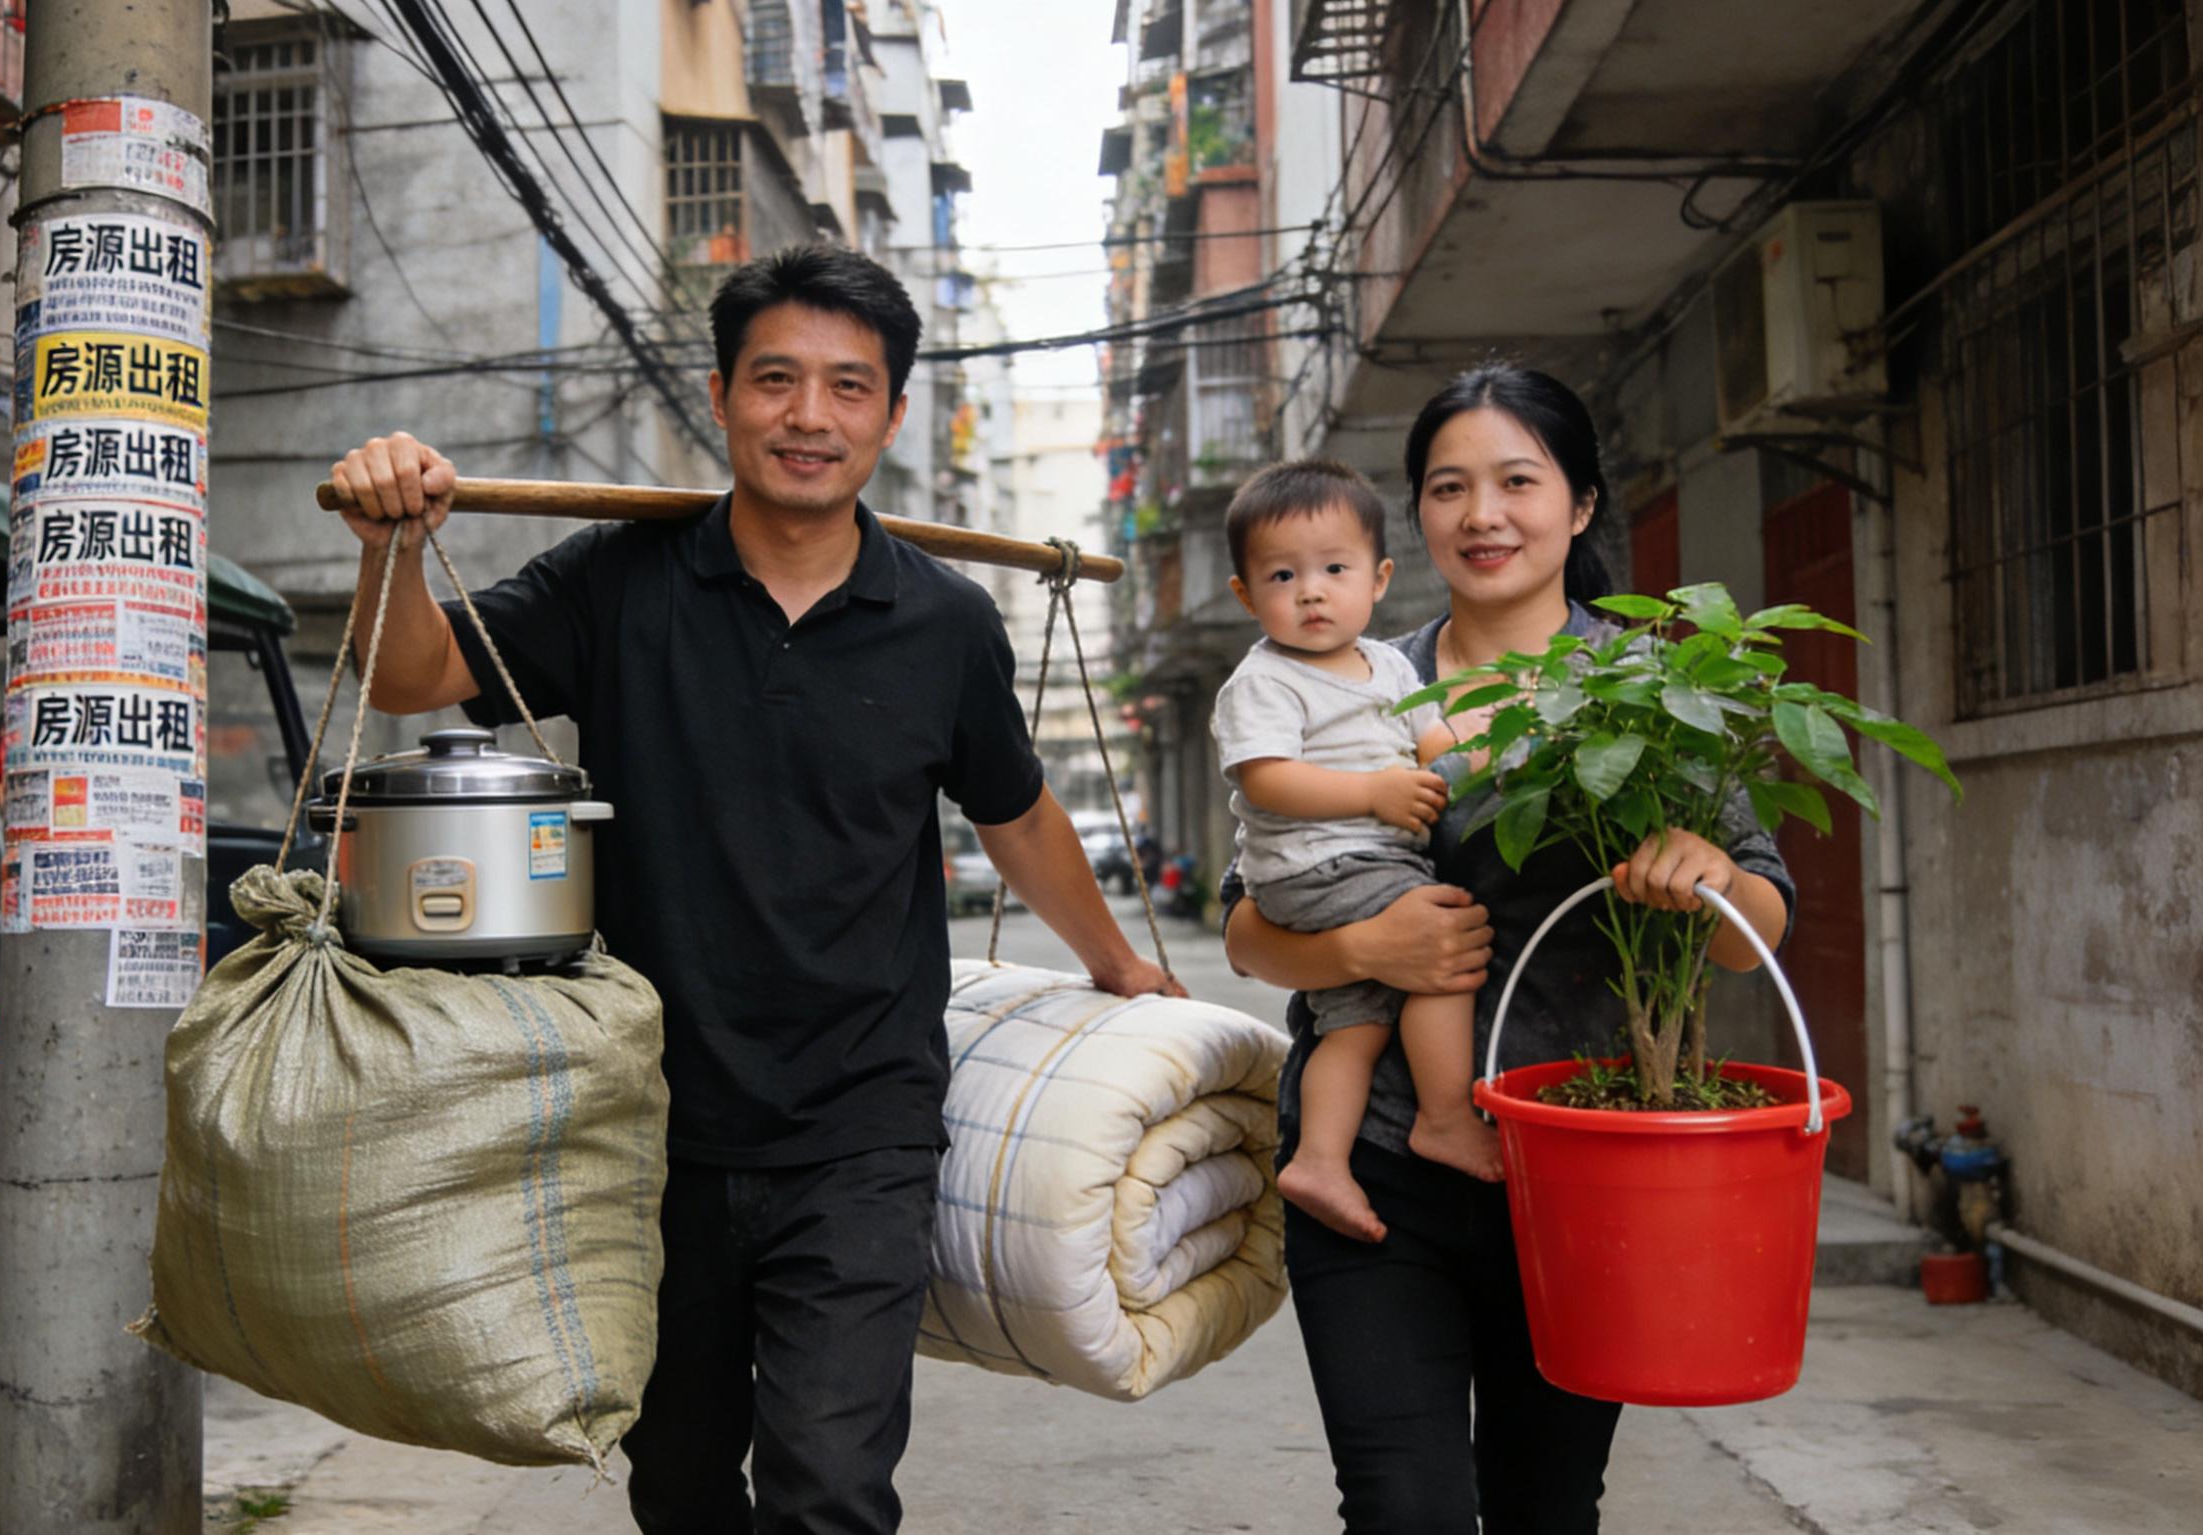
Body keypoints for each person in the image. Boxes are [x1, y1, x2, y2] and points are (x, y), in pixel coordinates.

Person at [326, 244, 1177, 1535]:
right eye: (777, 379)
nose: (809, 415)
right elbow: (411, 677)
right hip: (652, 1120)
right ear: (720, 396)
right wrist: (392, 542)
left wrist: (1116, 962)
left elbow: (1020, 818)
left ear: (892, 416)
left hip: (863, 1128)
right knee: (676, 1482)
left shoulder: (946, 621)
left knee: (829, 1486)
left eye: (848, 387)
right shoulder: (617, 583)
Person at [1222, 364, 1793, 1533]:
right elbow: (1248, 928)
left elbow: (1759, 935)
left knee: (1544, 1505)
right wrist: (1367, 945)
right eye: (1448, 487)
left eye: (1516, 481)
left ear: (1580, 503)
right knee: (1402, 1506)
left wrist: (1713, 877)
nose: (1481, 514)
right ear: (1416, 516)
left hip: (1580, 1174)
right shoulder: (1348, 675)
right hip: (1374, 1171)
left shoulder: (1656, 687)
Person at [1209, 460, 1498, 1249]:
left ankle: (1320, 1159)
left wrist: (1496, 754)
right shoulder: (1264, 681)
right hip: (1318, 863)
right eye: (1282, 574)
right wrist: (1373, 793)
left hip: (1359, 861)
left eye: (1334, 569)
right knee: (1442, 943)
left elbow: (1439, 742)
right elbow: (1266, 780)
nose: (1310, 590)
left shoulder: (1392, 665)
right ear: (1245, 594)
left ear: (1378, 579)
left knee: (1358, 1019)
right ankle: (1444, 1117)